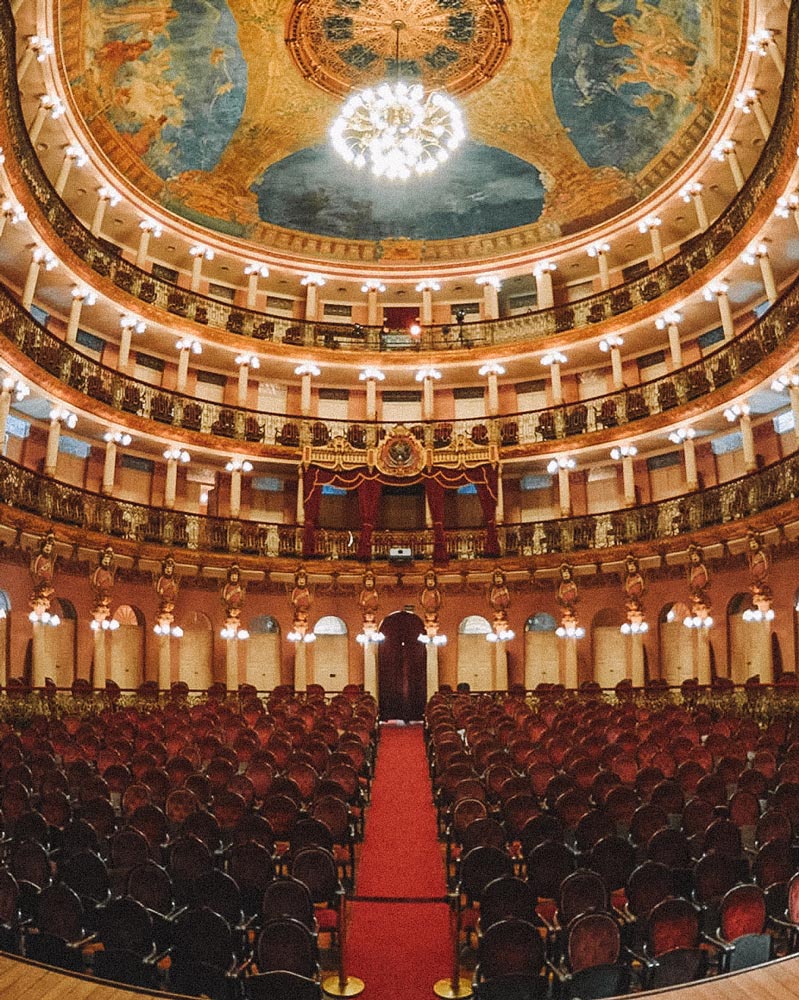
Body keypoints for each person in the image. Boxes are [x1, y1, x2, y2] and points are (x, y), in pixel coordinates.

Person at [30, 531, 56, 599]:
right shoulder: (48, 579)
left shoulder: (37, 580)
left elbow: (33, 570)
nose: (48, 549)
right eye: (47, 547)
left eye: (49, 548)